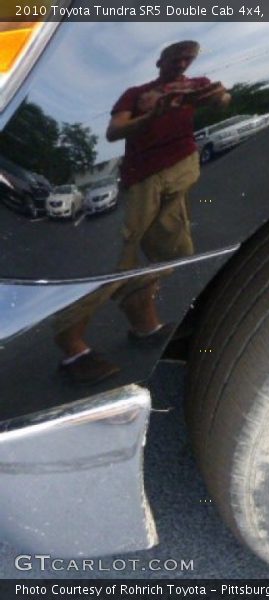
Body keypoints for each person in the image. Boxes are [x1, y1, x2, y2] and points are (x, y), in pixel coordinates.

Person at [55, 40, 230, 384]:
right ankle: (70, 343)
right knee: (119, 259)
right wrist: (152, 114)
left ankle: (144, 324)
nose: (181, 63)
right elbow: (114, 130)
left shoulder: (194, 85)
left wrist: (218, 96)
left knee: (174, 254)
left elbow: (224, 101)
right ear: (160, 61)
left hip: (179, 173)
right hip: (142, 179)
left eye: (188, 58)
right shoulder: (137, 93)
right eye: (175, 57)